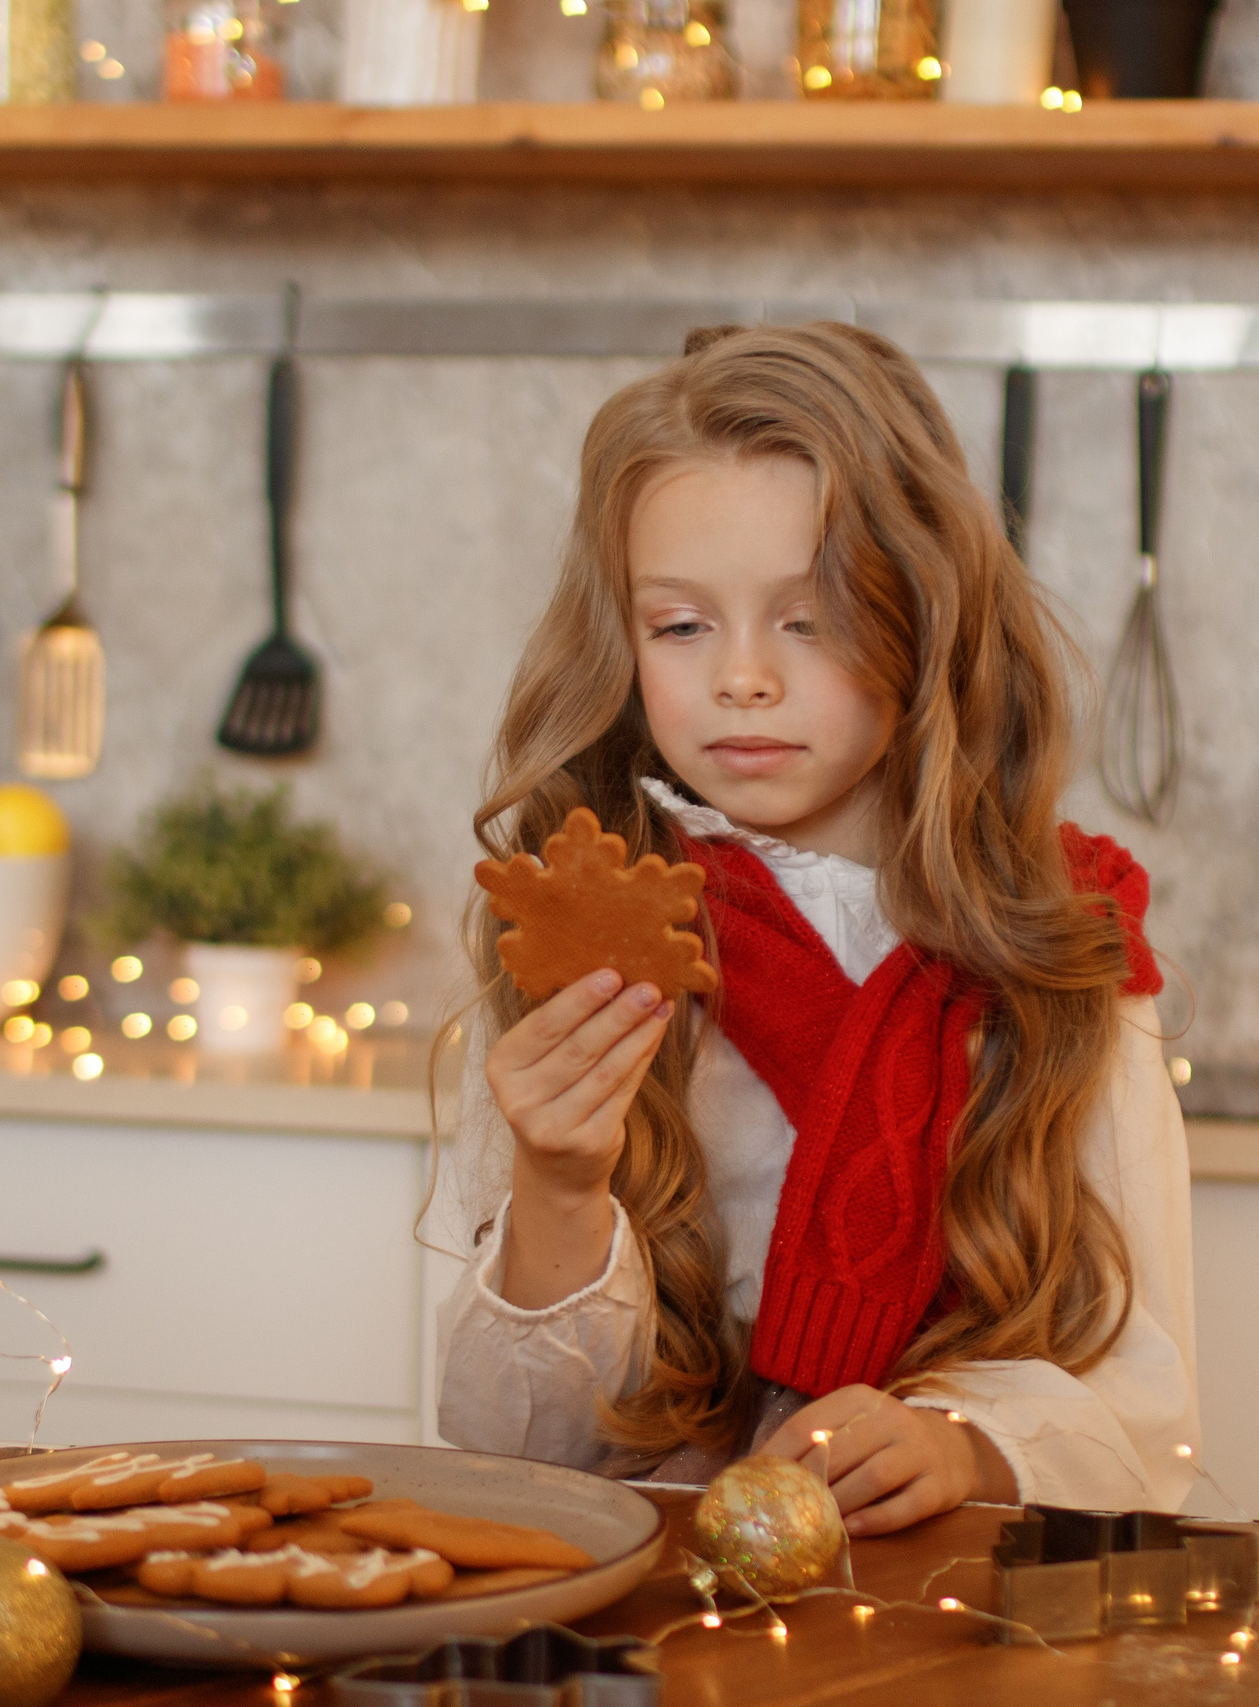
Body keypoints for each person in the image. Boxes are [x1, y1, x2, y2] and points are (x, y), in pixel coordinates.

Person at [431, 321, 1198, 1536]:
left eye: (811, 618)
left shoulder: (1062, 948)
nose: (742, 677)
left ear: (924, 621)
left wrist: (964, 1444)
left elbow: (1149, 1402)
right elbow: (513, 1450)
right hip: (654, 1595)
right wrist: (561, 1189)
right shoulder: (580, 939)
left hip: (952, 1605)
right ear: (620, 637)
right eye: (680, 625)